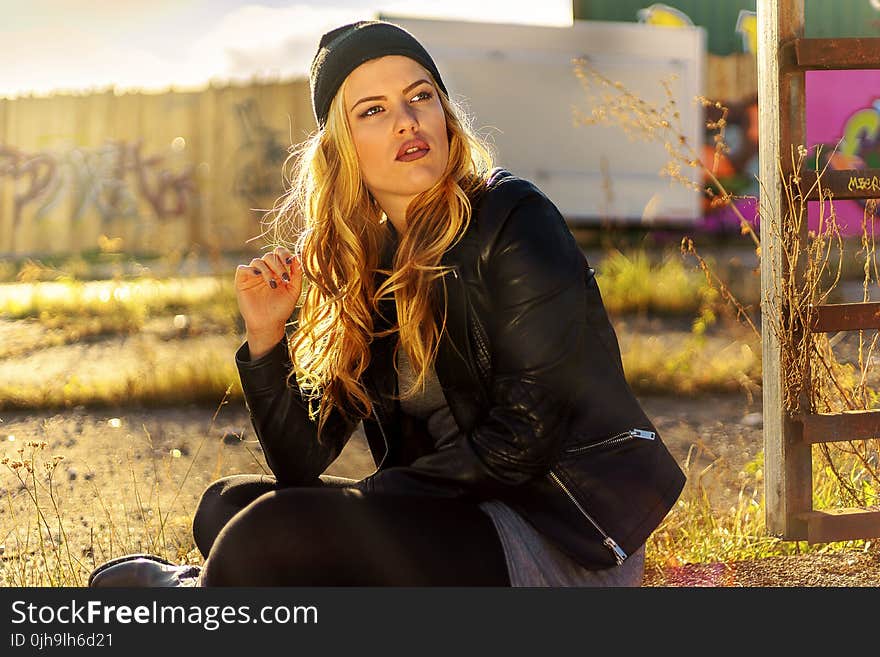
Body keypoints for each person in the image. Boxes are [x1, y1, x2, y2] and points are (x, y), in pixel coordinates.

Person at [88, 19, 686, 588]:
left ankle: (198, 597)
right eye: (373, 111)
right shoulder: (372, 261)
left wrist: (370, 499)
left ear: (445, 116)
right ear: (342, 149)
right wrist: (269, 338)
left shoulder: (514, 221)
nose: (405, 121)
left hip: (554, 537)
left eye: (419, 97)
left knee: (259, 536)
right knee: (226, 507)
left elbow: (523, 439)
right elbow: (300, 463)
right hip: (449, 515)